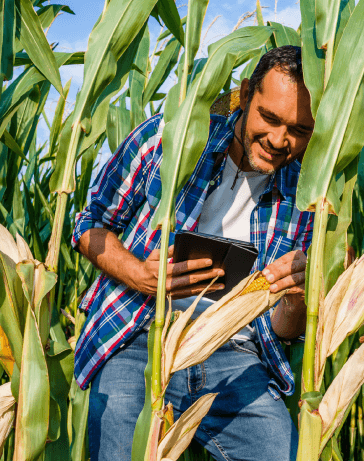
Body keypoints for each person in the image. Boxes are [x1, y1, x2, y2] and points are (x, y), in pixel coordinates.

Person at [72, 45, 315, 461]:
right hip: (140, 336)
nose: (279, 140)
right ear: (245, 94)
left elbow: (283, 331)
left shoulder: (309, 194)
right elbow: (88, 223)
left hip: (236, 352)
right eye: (269, 117)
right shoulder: (170, 138)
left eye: (299, 130)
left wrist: (296, 298)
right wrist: (138, 273)